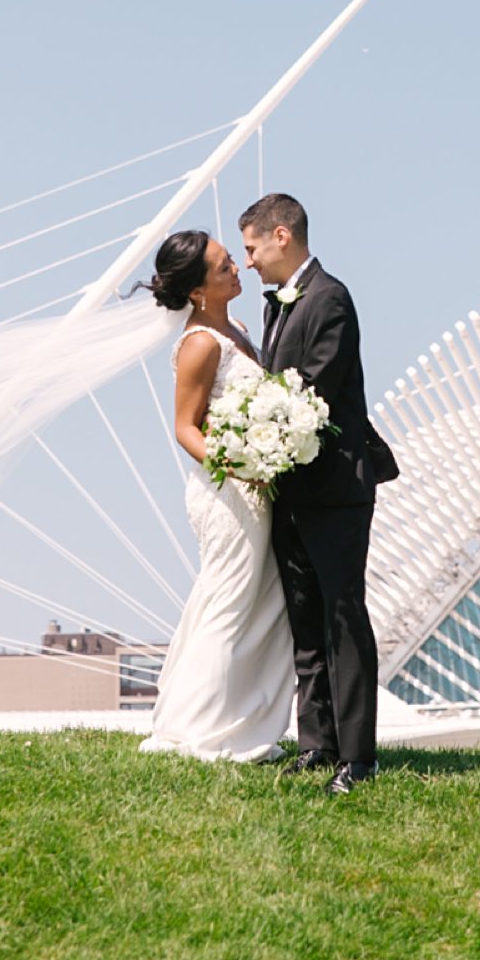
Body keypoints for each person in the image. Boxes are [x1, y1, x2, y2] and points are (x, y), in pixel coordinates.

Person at [133, 230, 294, 762]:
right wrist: (242, 467)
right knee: (229, 602)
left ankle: (231, 720)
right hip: (227, 493)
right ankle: (197, 728)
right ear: (199, 290)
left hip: (256, 486)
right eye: (225, 266)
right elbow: (186, 428)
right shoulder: (201, 343)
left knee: (249, 604)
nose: (237, 270)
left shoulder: (239, 329)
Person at [238, 193, 380, 795]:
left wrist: (263, 441)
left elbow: (312, 393)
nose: (248, 263)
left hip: (335, 489)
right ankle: (317, 744)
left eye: (251, 248)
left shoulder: (330, 299)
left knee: (342, 616)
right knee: (305, 621)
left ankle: (358, 756)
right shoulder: (279, 306)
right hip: (292, 490)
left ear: (280, 236)